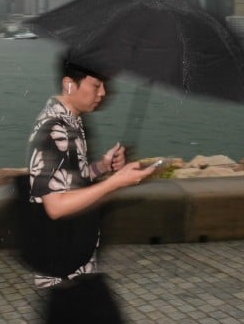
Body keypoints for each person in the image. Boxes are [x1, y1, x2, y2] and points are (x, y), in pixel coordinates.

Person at [25, 57, 157, 321]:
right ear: (69, 84)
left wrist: (102, 167)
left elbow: (72, 179)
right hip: (66, 273)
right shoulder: (54, 130)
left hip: (77, 264)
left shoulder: (73, 123)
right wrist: (114, 183)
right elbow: (56, 205)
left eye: (104, 85)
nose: (104, 93)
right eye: (96, 85)